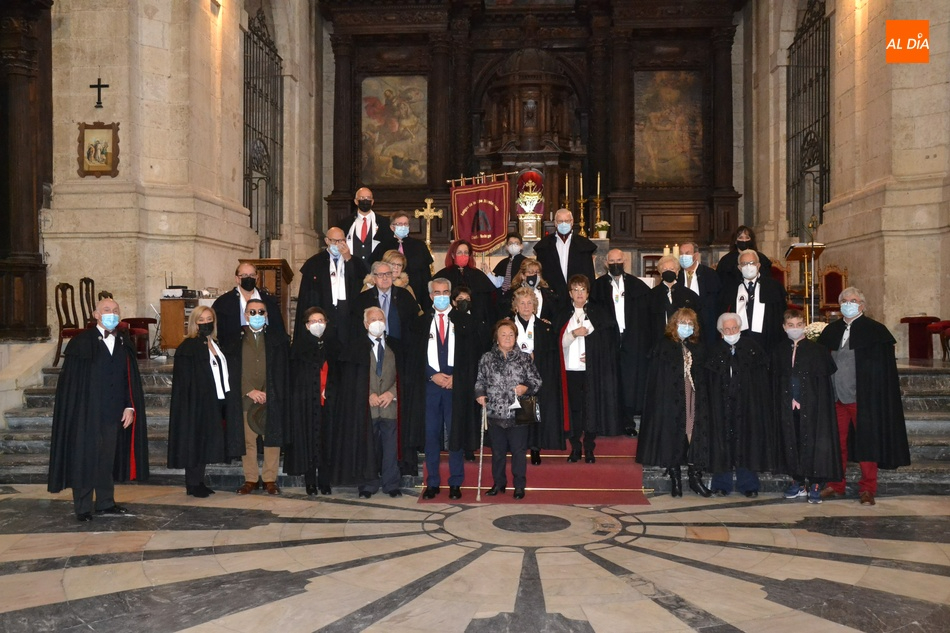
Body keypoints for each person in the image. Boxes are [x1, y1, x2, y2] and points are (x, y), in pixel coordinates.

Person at [48, 297, 149, 522]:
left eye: (115, 310)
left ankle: (105, 502)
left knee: (106, 459)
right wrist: (78, 412)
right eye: (106, 310)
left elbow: (127, 379)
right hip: (86, 413)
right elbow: (71, 385)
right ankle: (83, 507)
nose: (111, 313)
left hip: (114, 412)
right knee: (85, 458)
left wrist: (129, 406)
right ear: (96, 315)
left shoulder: (124, 342)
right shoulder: (81, 343)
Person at [817, 288, 911, 505]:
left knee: (868, 442)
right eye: (844, 301)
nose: (848, 303)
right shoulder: (831, 330)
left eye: (853, 300)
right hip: (836, 398)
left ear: (862, 305)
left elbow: (882, 370)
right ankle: (835, 484)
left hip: (863, 398)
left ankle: (868, 488)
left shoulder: (876, 331)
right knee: (835, 442)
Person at [411, 278, 479, 500]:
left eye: (445, 292)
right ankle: (432, 482)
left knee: (455, 434)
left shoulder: (464, 321)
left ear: (450, 295)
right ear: (430, 296)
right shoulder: (420, 323)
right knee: (431, 435)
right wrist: (432, 374)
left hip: (455, 388)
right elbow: (413, 356)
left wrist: (456, 377)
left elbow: (471, 357)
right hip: (430, 387)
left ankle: (456, 482)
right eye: (436, 292)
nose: (441, 296)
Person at [636, 308, 713, 498]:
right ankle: (675, 478)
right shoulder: (663, 346)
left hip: (693, 397)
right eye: (682, 323)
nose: (686, 327)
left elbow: (704, 374)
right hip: (670, 400)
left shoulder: (698, 346)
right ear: (674, 324)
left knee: (693, 433)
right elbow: (658, 379)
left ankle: (695, 478)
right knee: (672, 434)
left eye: (689, 324)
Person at [167, 306, 243, 498]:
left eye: (209, 319)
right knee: (194, 441)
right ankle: (192, 483)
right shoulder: (188, 347)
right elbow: (184, 382)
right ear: (194, 323)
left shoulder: (215, 344)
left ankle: (199, 481)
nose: (206, 323)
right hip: (196, 403)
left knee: (206, 442)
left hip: (216, 400)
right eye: (201, 320)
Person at [329, 307, 403, 498]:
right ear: (365, 324)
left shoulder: (396, 347)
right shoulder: (355, 348)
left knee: (390, 449)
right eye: (372, 320)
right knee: (367, 448)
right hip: (365, 409)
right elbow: (350, 380)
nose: (377, 322)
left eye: (380, 319)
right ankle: (368, 485)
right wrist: (366, 394)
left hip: (390, 407)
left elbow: (404, 378)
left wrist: (391, 393)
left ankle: (391, 484)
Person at [773, 309, 841, 504]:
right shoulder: (779, 350)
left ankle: (816, 483)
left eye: (798, 325)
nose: (795, 329)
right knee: (791, 441)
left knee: (814, 442)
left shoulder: (817, 350)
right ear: (784, 327)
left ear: (804, 325)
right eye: (790, 325)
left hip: (813, 406)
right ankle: (798, 481)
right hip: (788, 405)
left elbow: (822, 384)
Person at [226, 298, 290, 495]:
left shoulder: (278, 339)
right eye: (252, 312)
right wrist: (249, 390)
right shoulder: (234, 339)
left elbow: (282, 369)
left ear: (266, 315)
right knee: (248, 441)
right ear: (245, 315)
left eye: (261, 312)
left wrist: (270, 391)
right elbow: (232, 369)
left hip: (271, 397)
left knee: (272, 440)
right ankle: (251, 479)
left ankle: (270, 479)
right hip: (246, 398)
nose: (256, 316)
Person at [556, 274, 621, 463]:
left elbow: (607, 342)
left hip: (592, 371)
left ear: (588, 292)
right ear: (569, 293)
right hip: (570, 370)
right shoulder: (563, 314)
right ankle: (575, 447)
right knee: (574, 409)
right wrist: (573, 334)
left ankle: (589, 448)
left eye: (582, 289)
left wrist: (593, 354)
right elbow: (558, 343)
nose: (579, 293)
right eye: (575, 290)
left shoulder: (598, 312)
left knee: (591, 409)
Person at [706, 312, 772, 498]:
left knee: (747, 442)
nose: (731, 331)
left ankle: (748, 484)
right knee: (721, 443)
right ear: (721, 332)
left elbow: (761, 380)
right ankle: (721, 484)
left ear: (740, 328)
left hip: (747, 405)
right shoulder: (714, 350)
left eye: (734, 328)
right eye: (727, 329)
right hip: (721, 406)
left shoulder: (752, 348)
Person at [475, 320, 543, 500]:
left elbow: (537, 381)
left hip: (518, 413)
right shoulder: (487, 358)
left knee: (519, 452)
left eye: (511, 335)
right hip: (495, 413)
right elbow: (480, 381)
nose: (507, 338)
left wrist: (525, 387)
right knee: (497, 452)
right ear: (496, 338)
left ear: (515, 338)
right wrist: (480, 394)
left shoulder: (524, 358)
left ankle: (519, 486)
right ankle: (499, 483)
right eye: (503, 335)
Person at [591, 249, 652, 435]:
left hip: (631, 339)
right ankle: (609, 422)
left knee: (629, 381)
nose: (615, 263)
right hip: (607, 340)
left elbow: (645, 316)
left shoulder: (637, 285)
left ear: (624, 261)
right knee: (609, 380)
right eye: (612, 261)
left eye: (619, 260)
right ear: (605, 263)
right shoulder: (597, 286)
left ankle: (628, 422)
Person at [509, 286, 564, 464]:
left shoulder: (545, 327)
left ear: (535, 306)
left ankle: (535, 448)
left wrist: (537, 355)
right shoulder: (507, 325)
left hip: (538, 375)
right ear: (515, 306)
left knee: (536, 411)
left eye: (529, 303)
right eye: (522, 303)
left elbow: (551, 354)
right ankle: (515, 446)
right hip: (513, 375)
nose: (526, 306)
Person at [285, 307, 336, 495]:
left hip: (328, 403)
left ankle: (325, 480)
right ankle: (310, 481)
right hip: (306, 403)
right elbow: (295, 379)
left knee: (326, 441)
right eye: (313, 321)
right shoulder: (298, 348)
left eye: (321, 320)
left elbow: (338, 375)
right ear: (306, 325)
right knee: (308, 440)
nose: (317, 324)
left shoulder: (333, 345)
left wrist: (329, 390)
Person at [295, 227, 368, 345]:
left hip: (346, 314)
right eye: (334, 241)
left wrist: (348, 259)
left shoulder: (354, 261)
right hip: (324, 312)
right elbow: (307, 294)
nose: (338, 244)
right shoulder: (314, 263)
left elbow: (359, 283)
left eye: (341, 241)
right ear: (327, 241)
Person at [718, 249, 787, 351]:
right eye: (744, 264)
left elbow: (779, 315)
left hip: (766, 340)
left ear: (758, 266)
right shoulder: (731, 288)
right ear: (739, 268)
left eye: (752, 263)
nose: (748, 266)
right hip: (740, 341)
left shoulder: (773, 287)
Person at [213, 261, 286, 350]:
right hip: (235, 353)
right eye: (244, 275)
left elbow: (279, 331)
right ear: (237, 279)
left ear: (257, 278)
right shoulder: (223, 303)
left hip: (265, 351)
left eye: (252, 275)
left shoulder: (269, 301)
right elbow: (219, 334)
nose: (248, 278)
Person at [532, 207, 596, 301]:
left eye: (566, 221)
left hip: (578, 296)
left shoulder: (584, 245)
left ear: (572, 222)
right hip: (553, 296)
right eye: (560, 221)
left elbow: (589, 273)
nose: (563, 224)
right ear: (555, 223)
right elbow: (541, 274)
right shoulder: (544, 246)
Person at [433, 239, 496, 325]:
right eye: (459, 252)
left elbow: (489, 300)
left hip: (475, 321)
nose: (463, 255)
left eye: (466, 252)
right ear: (452, 255)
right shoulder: (443, 275)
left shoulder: (478, 275)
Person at [354, 261, 419, 342]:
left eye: (388, 274)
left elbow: (414, 324)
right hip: (371, 347)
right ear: (374, 279)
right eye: (380, 275)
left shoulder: (404, 295)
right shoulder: (363, 299)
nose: (385, 278)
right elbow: (357, 328)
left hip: (401, 347)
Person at [676, 242, 722, 346]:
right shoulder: (677, 276)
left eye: (687, 253)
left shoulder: (710, 274)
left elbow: (715, 302)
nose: (684, 257)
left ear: (696, 255)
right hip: (682, 325)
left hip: (705, 326)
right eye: (681, 254)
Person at [647, 254, 701, 342]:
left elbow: (696, 321)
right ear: (660, 273)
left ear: (677, 272)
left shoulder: (689, 295)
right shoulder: (651, 295)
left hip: (684, 340)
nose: (669, 272)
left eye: (672, 269)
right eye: (665, 269)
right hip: (659, 340)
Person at [341, 186, 395, 269]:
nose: (365, 200)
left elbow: (389, 246)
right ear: (356, 201)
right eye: (362, 198)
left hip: (376, 270)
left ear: (372, 201)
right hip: (352, 268)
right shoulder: (346, 223)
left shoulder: (384, 222)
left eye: (368, 198)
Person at [389, 211, 433, 310]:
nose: (403, 227)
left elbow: (426, 275)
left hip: (416, 291)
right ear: (392, 227)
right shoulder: (383, 246)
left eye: (405, 224)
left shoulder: (419, 246)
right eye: (399, 224)